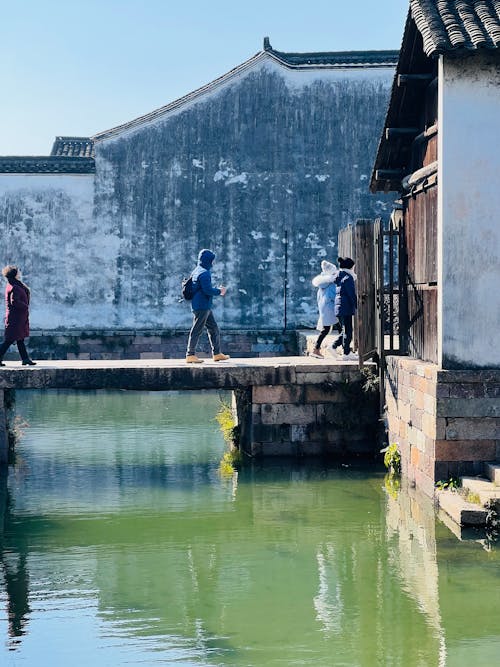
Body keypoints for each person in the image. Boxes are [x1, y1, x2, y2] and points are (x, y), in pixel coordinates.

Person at [185, 249, 230, 364]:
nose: (213, 263)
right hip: (202, 306)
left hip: (202, 305)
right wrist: (220, 291)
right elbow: (207, 290)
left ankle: (217, 354)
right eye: (212, 260)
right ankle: (190, 354)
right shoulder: (204, 273)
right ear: (208, 261)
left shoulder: (197, 270)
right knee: (197, 329)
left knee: (213, 328)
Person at [0, 265, 36, 366]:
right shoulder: (15, 286)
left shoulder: (13, 284)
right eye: (18, 272)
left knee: (19, 339)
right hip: (16, 318)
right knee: (9, 340)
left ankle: (25, 359)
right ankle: (25, 359)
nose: (19, 274)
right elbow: (14, 301)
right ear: (15, 274)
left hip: (17, 318)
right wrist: (25, 306)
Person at [331, 256, 358, 360]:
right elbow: (351, 293)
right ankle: (346, 353)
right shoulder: (348, 278)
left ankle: (336, 347)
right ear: (350, 267)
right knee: (348, 331)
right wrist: (356, 305)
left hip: (340, 307)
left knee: (345, 330)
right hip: (345, 307)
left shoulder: (340, 276)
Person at [311, 260, 339, 357]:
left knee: (326, 329)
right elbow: (335, 297)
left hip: (324, 309)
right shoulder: (331, 285)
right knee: (340, 329)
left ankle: (316, 349)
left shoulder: (321, 285)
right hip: (332, 309)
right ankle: (343, 349)